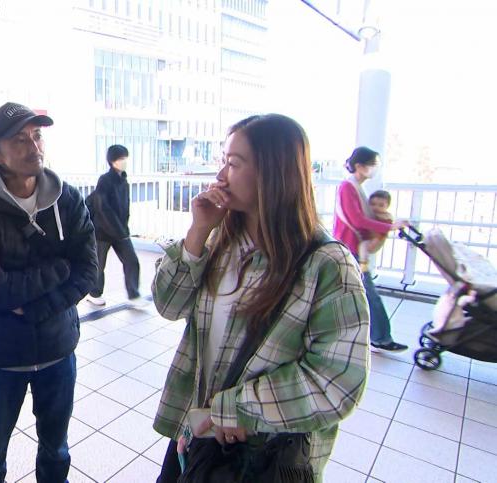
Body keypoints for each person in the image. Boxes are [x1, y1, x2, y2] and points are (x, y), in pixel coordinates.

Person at [153, 114, 370, 482]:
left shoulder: (326, 264)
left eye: (234, 163)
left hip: (262, 458)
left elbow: (337, 381)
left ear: (274, 173)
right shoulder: (219, 240)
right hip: (198, 437)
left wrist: (233, 410)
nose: (220, 175)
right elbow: (168, 304)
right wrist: (198, 230)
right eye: (223, 160)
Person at [0, 102, 97, 483]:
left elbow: (88, 271)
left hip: (57, 349)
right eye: (19, 140)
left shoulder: (68, 199)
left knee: (56, 449)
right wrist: (58, 269)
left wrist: (36, 309)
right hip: (1, 355)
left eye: (37, 136)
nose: (33, 146)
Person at [333, 146, 409, 353]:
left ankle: (376, 336)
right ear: (360, 166)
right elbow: (357, 219)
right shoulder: (349, 187)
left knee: (359, 292)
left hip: (351, 248)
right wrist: (389, 227)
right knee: (369, 293)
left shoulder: (355, 187)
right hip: (350, 248)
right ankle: (381, 337)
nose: (375, 169)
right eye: (374, 165)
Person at [85, 144, 143, 307]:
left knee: (132, 261)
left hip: (120, 231)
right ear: (111, 161)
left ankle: (133, 294)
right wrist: (118, 230)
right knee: (99, 264)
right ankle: (94, 293)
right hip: (103, 232)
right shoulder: (104, 180)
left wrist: (123, 228)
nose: (124, 161)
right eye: (120, 159)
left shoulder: (124, 180)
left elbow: (125, 207)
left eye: (125, 158)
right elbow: (103, 208)